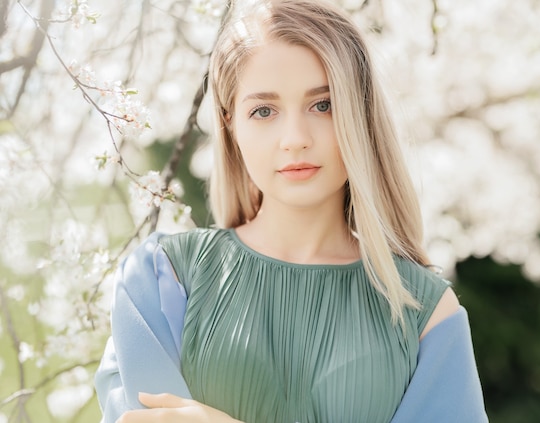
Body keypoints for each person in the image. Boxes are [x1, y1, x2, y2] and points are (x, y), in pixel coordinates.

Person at [94, 0, 489, 422]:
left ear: (361, 114)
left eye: (324, 105)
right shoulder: (160, 279)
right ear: (230, 125)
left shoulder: (426, 314)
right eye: (264, 111)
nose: (295, 138)